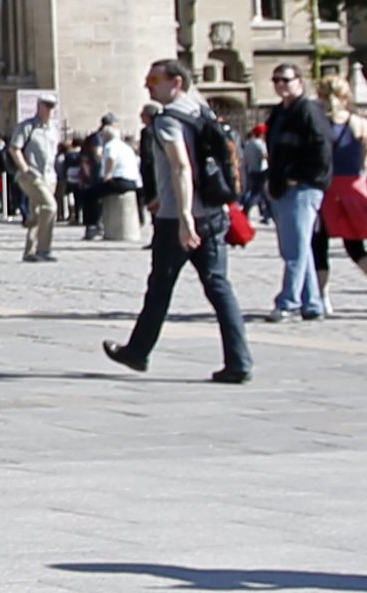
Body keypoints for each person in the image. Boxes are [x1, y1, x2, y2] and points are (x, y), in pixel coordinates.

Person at [104, 60, 254, 381]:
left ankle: (138, 351)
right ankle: (239, 361)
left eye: (154, 79)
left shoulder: (168, 121)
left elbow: (182, 167)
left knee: (160, 286)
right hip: (213, 214)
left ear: (176, 82)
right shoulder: (202, 111)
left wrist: (185, 215)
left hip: (179, 219)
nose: (148, 86)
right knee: (218, 286)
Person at [314, 74, 367, 317]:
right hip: (354, 186)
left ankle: (323, 298)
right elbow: (364, 161)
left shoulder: (319, 123)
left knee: (319, 244)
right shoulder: (361, 123)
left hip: (327, 187)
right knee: (356, 246)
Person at [261, 64, 331, 322]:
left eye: (286, 80)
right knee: (297, 248)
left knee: (295, 249)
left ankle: (288, 301)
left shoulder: (308, 111)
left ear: (299, 82)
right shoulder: (279, 113)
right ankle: (312, 303)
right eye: (276, 80)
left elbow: (322, 149)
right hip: (282, 186)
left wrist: (300, 177)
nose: (281, 85)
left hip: (303, 187)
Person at [13, 97, 60, 261]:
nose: (50, 110)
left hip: (49, 176)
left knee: (39, 212)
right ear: (39, 107)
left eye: (52, 107)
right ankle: (44, 249)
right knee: (50, 206)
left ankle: (30, 251)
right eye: (47, 106)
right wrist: (24, 168)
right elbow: (14, 148)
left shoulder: (53, 129)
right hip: (32, 175)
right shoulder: (28, 127)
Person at [94, 114, 143, 251]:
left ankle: (93, 224)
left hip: (120, 181)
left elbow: (111, 159)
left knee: (89, 194)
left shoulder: (110, 145)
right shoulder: (125, 146)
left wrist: (108, 174)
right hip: (133, 181)